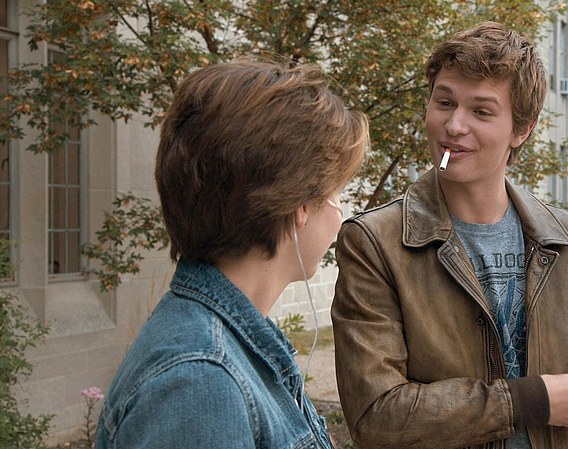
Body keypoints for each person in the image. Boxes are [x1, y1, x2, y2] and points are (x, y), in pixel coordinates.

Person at [331, 21, 568, 449]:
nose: (454, 125)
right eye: (444, 102)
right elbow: (378, 415)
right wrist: (530, 401)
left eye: (481, 111)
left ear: (522, 129)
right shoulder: (376, 243)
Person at [95, 58, 368, 449]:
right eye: (337, 191)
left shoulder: (230, 347)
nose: (340, 211)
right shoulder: (200, 383)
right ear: (301, 206)